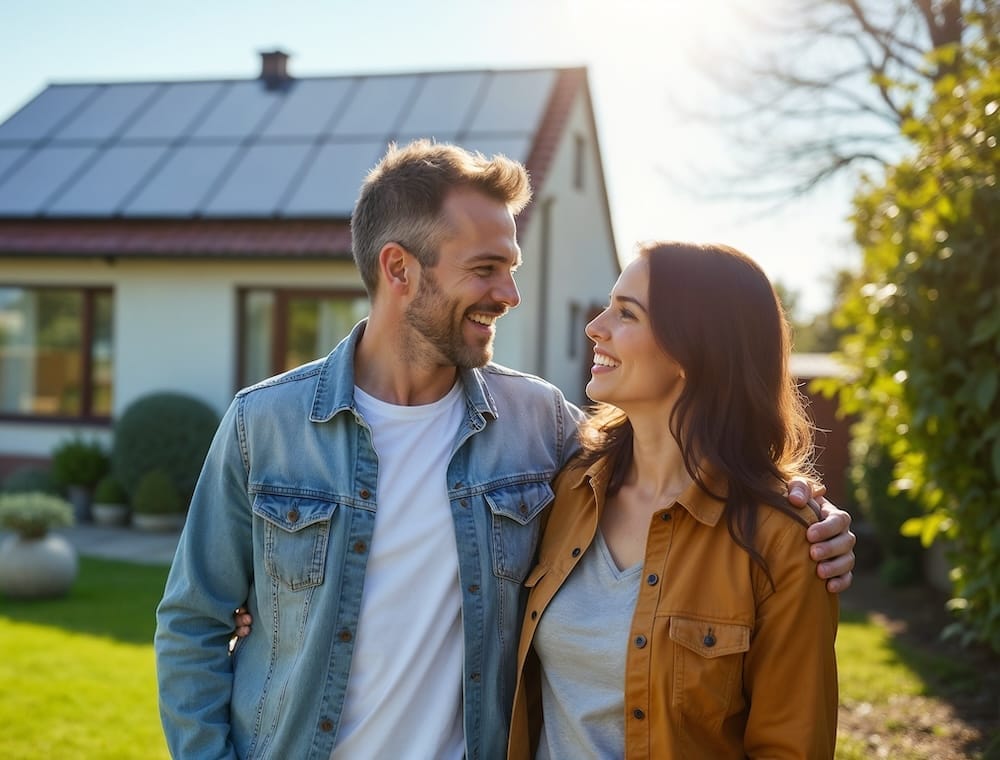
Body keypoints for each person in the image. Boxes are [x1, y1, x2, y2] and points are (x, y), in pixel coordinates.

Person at [156, 140, 855, 760]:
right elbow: (194, 623)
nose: (510, 294)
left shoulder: (539, 426)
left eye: (512, 267)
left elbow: (688, 467)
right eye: (487, 268)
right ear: (399, 269)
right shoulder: (264, 425)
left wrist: (807, 512)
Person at [506, 242, 840, 759]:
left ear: (691, 349)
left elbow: (791, 746)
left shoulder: (784, 540)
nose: (595, 327)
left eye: (627, 313)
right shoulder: (568, 490)